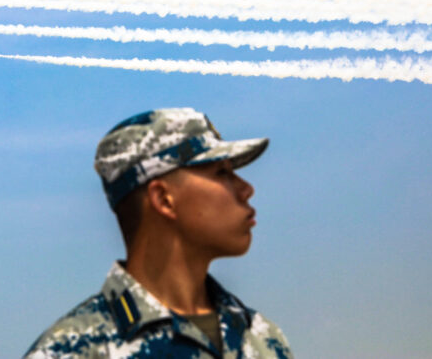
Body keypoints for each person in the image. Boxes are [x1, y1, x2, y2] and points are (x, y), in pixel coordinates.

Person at [24, 107, 293, 359]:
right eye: (222, 172)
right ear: (164, 199)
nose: (246, 189)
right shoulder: (73, 349)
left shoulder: (262, 337)